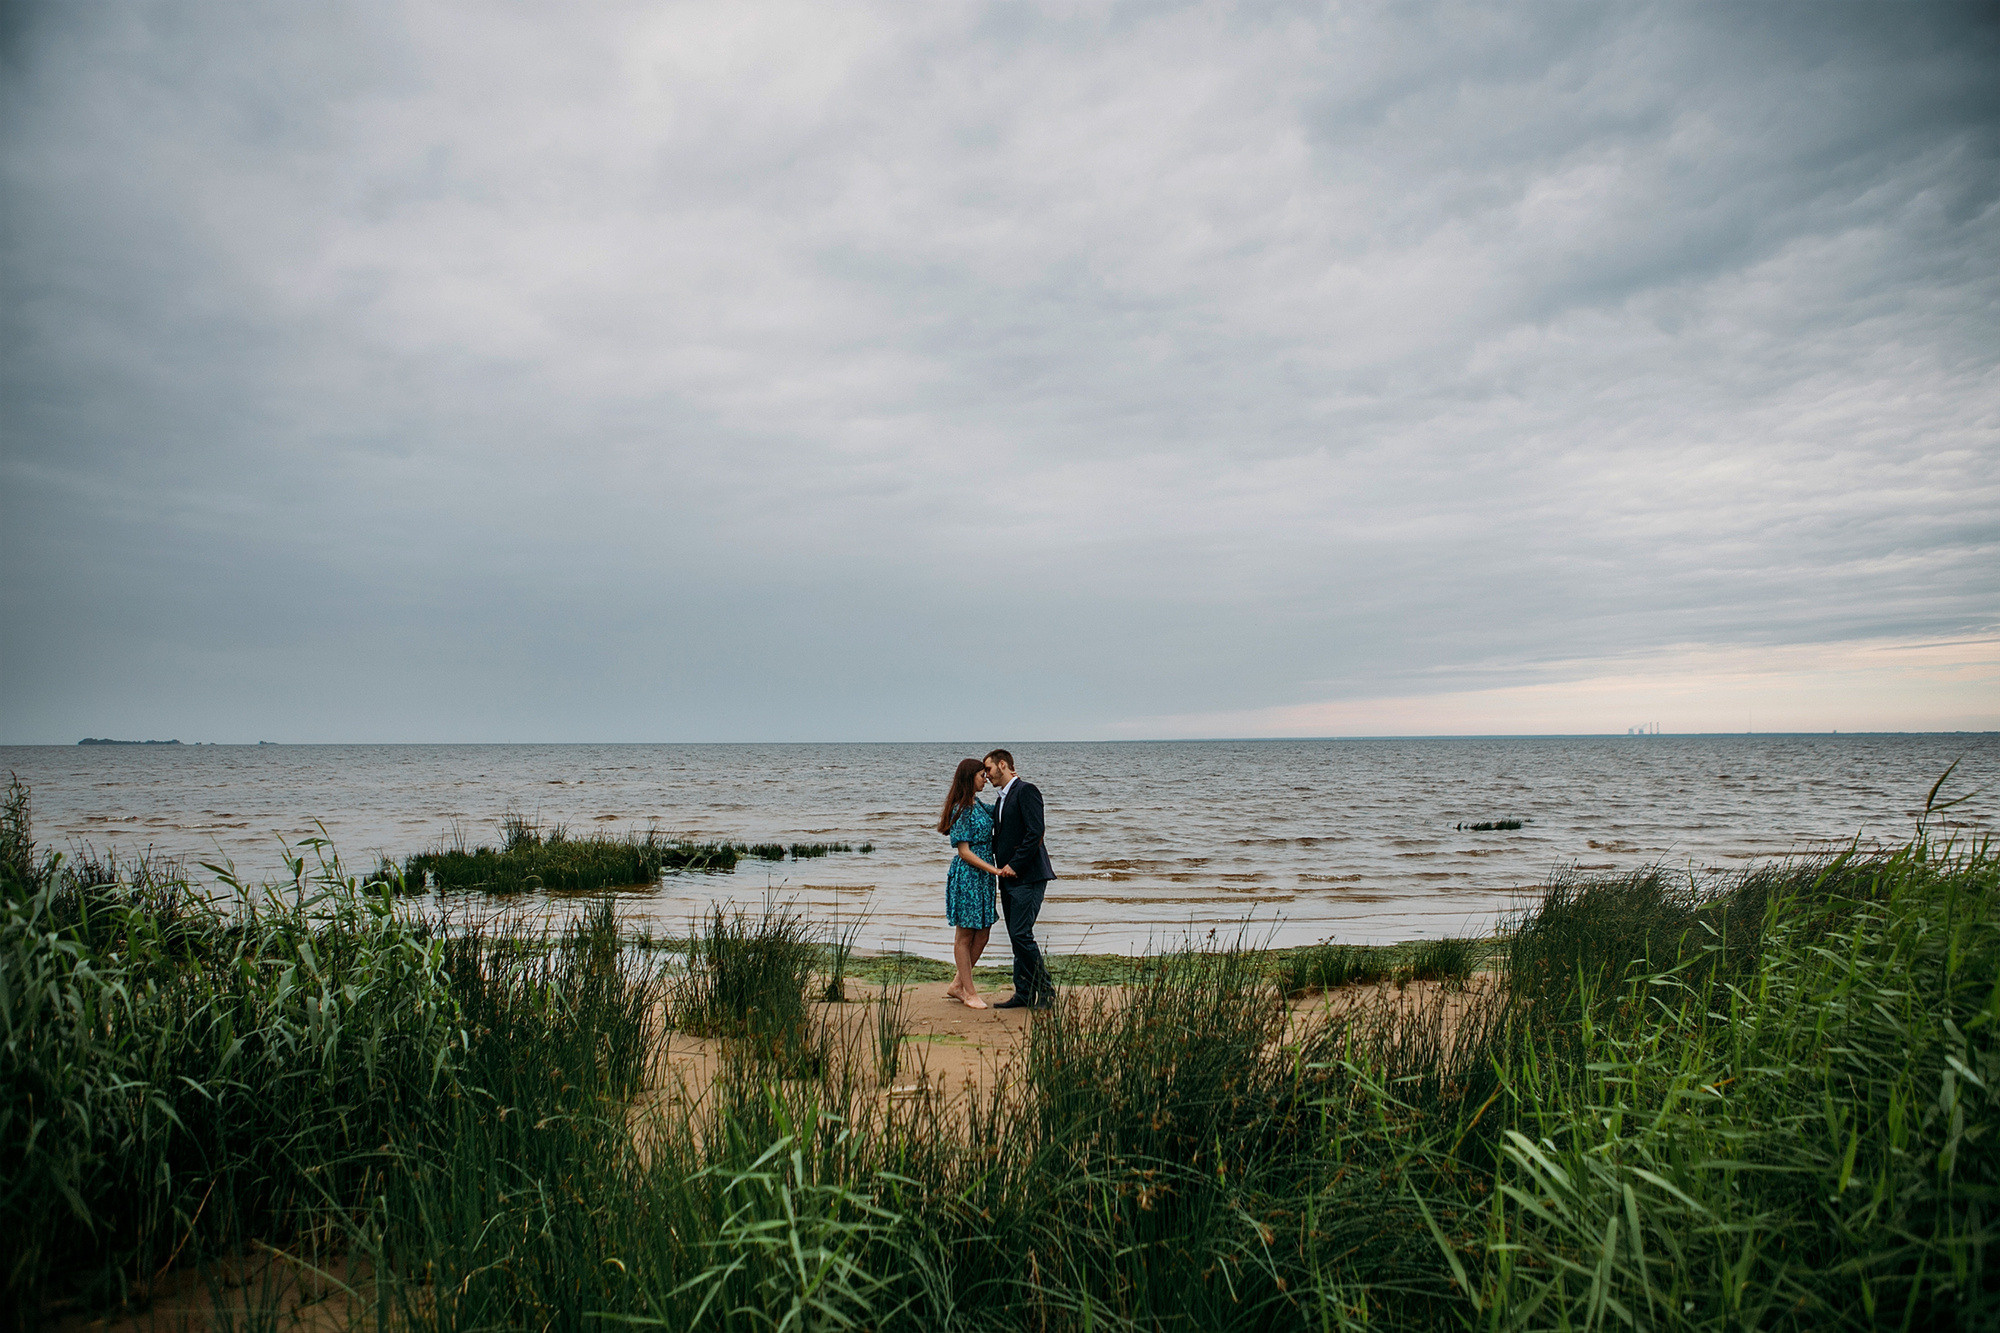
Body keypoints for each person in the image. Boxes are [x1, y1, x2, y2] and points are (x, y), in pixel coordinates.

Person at [984, 748, 1056, 1009]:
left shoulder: (1026, 790)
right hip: (1008, 878)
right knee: (1017, 937)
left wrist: (1015, 864)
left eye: (989, 769)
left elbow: (1036, 832)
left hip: (1029, 876)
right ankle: (1024, 993)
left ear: (1003, 765)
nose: (987, 775)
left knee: (1021, 934)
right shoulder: (1001, 800)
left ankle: (1046, 991)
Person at [937, 757, 1000, 1008]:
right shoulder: (961, 809)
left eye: (986, 775)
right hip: (969, 875)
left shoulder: (979, 804)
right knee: (964, 935)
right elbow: (964, 851)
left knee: (983, 933)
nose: (985, 779)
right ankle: (969, 992)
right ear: (969, 777)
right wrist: (993, 869)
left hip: (983, 877)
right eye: (981, 775)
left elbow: (1001, 812)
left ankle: (957, 984)